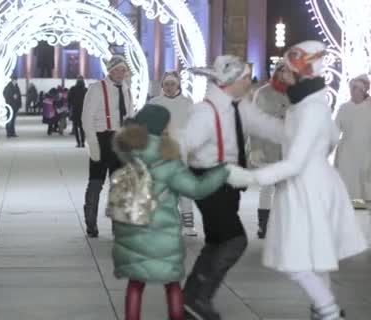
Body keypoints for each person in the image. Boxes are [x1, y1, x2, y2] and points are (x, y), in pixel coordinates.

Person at [233, 41, 368, 320]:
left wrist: (248, 176)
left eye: (287, 68)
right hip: (309, 186)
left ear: (303, 69)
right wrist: (244, 109)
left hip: (309, 189)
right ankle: (322, 311)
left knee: (295, 261)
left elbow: (295, 161)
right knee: (316, 259)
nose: (282, 73)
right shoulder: (305, 103)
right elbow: (285, 132)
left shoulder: (312, 108)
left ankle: (329, 312)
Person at [111, 104, 250, 320]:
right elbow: (196, 189)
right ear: (162, 129)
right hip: (162, 236)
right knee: (172, 285)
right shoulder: (167, 163)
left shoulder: (129, 156)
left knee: (136, 284)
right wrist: (222, 172)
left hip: (132, 233)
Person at [180, 55, 286, 319]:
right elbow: (182, 145)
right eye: (245, 78)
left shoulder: (239, 107)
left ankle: (190, 297)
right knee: (234, 240)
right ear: (231, 82)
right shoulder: (206, 112)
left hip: (228, 184)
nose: (250, 82)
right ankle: (200, 298)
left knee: (217, 241)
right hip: (208, 181)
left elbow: (266, 125)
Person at [335, 74, 371, 245]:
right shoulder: (344, 108)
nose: (355, 92)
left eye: (358, 89)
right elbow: (334, 131)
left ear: (364, 91)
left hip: (368, 158)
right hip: (347, 157)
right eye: (353, 88)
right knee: (343, 195)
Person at [81, 55, 135, 238]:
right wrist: (92, 142)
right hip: (101, 138)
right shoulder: (97, 89)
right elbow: (86, 118)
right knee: (96, 182)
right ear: (110, 71)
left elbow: (130, 116)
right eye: (117, 70)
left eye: (123, 70)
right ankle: (90, 223)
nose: (120, 73)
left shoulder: (127, 90)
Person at [148, 71, 198, 236]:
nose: (169, 87)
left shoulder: (187, 103)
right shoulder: (154, 102)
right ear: (162, 85)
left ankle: (188, 225)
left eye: (173, 84)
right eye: (167, 84)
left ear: (178, 85)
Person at [251, 59, 292, 239]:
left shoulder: (295, 94)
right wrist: (256, 147)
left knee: (284, 189)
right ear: (277, 72)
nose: (287, 74)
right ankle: (263, 226)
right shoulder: (263, 93)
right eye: (284, 71)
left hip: (288, 148)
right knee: (266, 187)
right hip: (268, 146)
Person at [69, 75, 88, 147]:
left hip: (75, 110)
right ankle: (82, 142)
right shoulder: (85, 90)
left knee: (76, 128)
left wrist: (72, 105)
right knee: (82, 128)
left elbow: (69, 100)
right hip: (83, 111)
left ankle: (78, 142)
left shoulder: (73, 89)